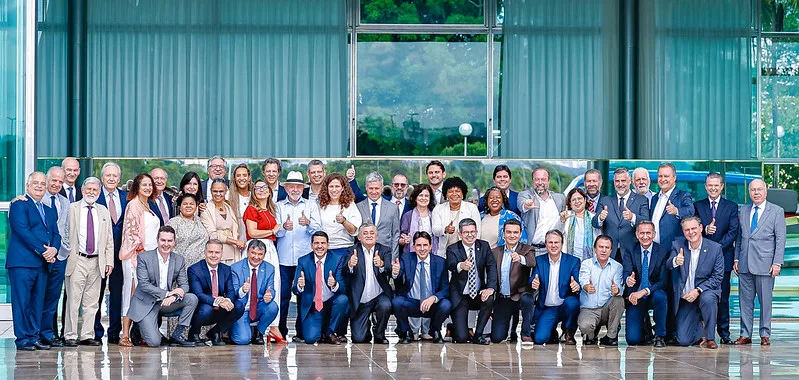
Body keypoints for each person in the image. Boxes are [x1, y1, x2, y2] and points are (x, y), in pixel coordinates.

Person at [7, 172, 61, 351]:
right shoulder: (19, 205)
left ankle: (34, 336)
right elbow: (22, 231)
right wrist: (44, 250)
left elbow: (56, 234)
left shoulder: (49, 210)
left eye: (42, 183)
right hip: (22, 262)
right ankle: (23, 339)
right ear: (27, 185)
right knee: (22, 301)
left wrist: (54, 249)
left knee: (38, 302)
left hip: (42, 264)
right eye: (35, 183)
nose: (39, 186)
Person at [126, 226, 198, 347]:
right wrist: (167, 294)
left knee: (192, 298)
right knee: (154, 343)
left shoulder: (179, 260)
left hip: (166, 303)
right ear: (157, 240)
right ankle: (138, 327)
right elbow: (144, 284)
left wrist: (174, 296)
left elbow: (184, 285)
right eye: (163, 240)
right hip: (146, 303)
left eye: (170, 241)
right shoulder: (144, 258)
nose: (166, 244)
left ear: (174, 242)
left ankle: (177, 334)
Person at [63, 177, 114, 346]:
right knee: (73, 301)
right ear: (83, 190)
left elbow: (109, 240)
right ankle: (70, 335)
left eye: (95, 190)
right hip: (77, 259)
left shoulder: (103, 211)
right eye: (88, 189)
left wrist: (109, 261)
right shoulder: (72, 208)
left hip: (97, 261)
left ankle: (87, 334)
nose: (91, 192)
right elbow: (64, 233)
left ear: (99, 193)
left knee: (92, 303)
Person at [734, 179, 785, 346]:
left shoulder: (777, 211)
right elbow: (740, 238)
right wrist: (736, 258)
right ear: (749, 192)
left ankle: (765, 334)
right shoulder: (744, 209)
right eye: (753, 190)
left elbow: (780, 239)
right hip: (744, 264)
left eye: (759, 190)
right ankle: (745, 334)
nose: (756, 193)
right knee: (745, 302)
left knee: (765, 302)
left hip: (766, 264)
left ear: (766, 191)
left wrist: (777, 262)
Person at [275, 171, 321, 340]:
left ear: (303, 188)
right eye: (291, 186)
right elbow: (276, 232)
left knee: (304, 296)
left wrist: (308, 223)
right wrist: (283, 228)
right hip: (284, 258)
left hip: (304, 258)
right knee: (284, 296)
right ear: (286, 188)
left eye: (298, 186)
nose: (295, 189)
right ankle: (281, 331)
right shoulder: (279, 206)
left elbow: (318, 230)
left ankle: (301, 332)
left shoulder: (310, 205)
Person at [650, 162, 694, 341]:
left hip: (674, 254)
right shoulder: (654, 198)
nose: (663, 179)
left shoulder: (683, 196)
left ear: (674, 178)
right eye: (660, 176)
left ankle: (674, 332)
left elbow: (690, 212)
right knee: (660, 294)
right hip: (656, 254)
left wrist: (677, 211)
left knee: (674, 293)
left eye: (666, 176)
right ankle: (661, 331)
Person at [694, 172, 739, 344]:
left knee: (723, 297)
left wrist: (716, 248)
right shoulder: (698, 206)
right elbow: (694, 228)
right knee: (702, 295)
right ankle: (703, 332)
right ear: (706, 186)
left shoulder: (731, 206)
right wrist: (705, 230)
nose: (713, 188)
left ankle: (724, 332)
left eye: (716, 185)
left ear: (721, 187)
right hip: (701, 259)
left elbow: (733, 231)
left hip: (724, 257)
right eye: (709, 185)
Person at [666, 216, 724, 349]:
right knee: (684, 341)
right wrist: (676, 261)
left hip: (704, 292)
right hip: (686, 298)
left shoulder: (715, 248)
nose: (691, 232)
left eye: (693, 228)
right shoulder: (677, 245)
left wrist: (698, 290)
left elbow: (717, 277)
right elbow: (668, 264)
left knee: (708, 299)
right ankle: (700, 325)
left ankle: (710, 338)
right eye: (687, 230)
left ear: (701, 228)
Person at [118, 173, 161, 347]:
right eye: (144, 184)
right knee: (131, 294)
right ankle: (125, 335)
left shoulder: (149, 205)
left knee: (145, 297)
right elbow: (130, 232)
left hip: (150, 258)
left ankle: (142, 333)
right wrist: (140, 252)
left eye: (150, 185)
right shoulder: (133, 205)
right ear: (136, 186)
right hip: (135, 257)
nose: (148, 188)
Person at [392, 231, 452, 344]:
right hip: (412, 303)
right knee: (397, 302)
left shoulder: (440, 262)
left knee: (446, 304)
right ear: (413, 246)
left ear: (430, 246)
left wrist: (434, 298)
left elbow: (445, 289)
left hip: (431, 303)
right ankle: (406, 332)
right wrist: (395, 272)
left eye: (425, 245)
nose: (422, 248)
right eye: (418, 245)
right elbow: (399, 274)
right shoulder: (406, 258)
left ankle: (434, 330)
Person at [242, 179, 283, 342]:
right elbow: (251, 232)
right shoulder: (252, 209)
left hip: (271, 248)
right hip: (257, 247)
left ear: (270, 190)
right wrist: (272, 230)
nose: (261, 190)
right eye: (257, 188)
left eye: (264, 187)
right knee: (255, 283)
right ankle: (251, 325)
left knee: (273, 284)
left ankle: (272, 326)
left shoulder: (271, 209)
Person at [292, 232, 350, 345]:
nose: (320, 246)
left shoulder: (337, 259)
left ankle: (329, 332)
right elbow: (295, 289)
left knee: (343, 299)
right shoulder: (303, 261)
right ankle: (322, 330)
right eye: (316, 243)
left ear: (328, 245)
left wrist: (334, 284)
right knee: (310, 338)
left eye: (323, 243)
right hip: (313, 307)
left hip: (331, 303)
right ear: (311, 245)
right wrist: (300, 286)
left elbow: (343, 288)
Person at [446, 218, 496, 345]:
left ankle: (478, 335)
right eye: (466, 232)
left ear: (477, 232)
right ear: (460, 234)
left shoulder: (483, 246)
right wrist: (460, 266)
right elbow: (450, 264)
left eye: (473, 232)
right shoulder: (452, 248)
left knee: (489, 298)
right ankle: (453, 327)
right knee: (462, 338)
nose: (470, 235)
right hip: (461, 295)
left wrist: (490, 288)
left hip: (478, 293)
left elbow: (491, 267)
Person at [94, 162, 128, 343]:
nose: (112, 178)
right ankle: (95, 331)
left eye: (115, 175)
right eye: (108, 175)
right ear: (102, 178)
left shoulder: (126, 197)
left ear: (119, 178)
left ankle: (114, 331)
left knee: (117, 294)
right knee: (96, 294)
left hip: (120, 255)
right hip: (99, 254)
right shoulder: (94, 196)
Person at [187, 240, 245, 345]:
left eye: (217, 252)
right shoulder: (194, 269)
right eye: (210, 252)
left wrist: (227, 300)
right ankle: (194, 333)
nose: (213, 255)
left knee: (239, 306)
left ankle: (216, 332)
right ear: (205, 252)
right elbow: (198, 294)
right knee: (206, 309)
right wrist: (217, 301)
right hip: (201, 309)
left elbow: (231, 290)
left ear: (221, 254)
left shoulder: (226, 269)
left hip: (220, 307)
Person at [622, 221, 669, 347]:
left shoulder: (663, 251)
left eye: (648, 233)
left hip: (653, 292)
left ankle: (660, 335)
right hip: (635, 297)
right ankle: (646, 330)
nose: (645, 236)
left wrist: (644, 291)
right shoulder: (630, 250)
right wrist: (628, 280)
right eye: (642, 233)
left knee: (661, 296)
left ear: (654, 234)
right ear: (637, 235)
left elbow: (663, 281)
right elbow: (626, 272)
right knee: (633, 340)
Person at [489, 219, 536, 343]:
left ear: (520, 234)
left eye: (515, 232)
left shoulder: (527, 249)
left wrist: (520, 258)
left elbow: (532, 262)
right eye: (508, 232)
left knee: (528, 300)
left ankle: (525, 333)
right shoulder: (495, 252)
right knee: (497, 338)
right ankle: (511, 330)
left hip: (521, 295)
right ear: (503, 233)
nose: (512, 235)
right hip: (503, 298)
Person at [344, 223, 393, 344]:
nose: (369, 236)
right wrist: (350, 265)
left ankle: (379, 332)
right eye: (365, 233)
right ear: (359, 237)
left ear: (377, 236)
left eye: (372, 233)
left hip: (379, 296)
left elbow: (389, 270)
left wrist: (381, 265)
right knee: (359, 339)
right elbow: (344, 272)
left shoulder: (384, 250)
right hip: (360, 300)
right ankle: (366, 326)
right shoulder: (352, 251)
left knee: (386, 305)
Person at [530, 230, 581, 345]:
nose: (553, 245)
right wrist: (533, 283)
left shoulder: (573, 261)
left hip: (565, 305)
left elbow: (578, 282)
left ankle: (569, 331)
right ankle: (552, 331)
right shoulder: (539, 261)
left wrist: (576, 286)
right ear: (546, 244)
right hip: (548, 308)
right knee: (539, 339)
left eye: (556, 242)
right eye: (550, 242)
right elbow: (533, 278)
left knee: (573, 303)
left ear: (562, 244)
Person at [40, 166, 71, 347]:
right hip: (42, 255)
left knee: (53, 299)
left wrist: (63, 250)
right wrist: (47, 251)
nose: (57, 184)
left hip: (60, 256)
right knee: (39, 297)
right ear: (47, 179)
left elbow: (64, 227)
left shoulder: (64, 202)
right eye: (54, 180)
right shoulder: (37, 199)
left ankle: (48, 334)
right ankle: (36, 333)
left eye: (61, 181)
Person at [230, 239, 281, 345]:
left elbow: (271, 289)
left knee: (273, 307)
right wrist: (242, 290)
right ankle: (238, 329)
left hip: (257, 307)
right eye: (253, 253)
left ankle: (259, 332)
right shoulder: (235, 268)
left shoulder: (269, 268)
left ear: (264, 255)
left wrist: (270, 295)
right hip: (242, 309)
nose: (256, 257)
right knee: (242, 340)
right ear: (248, 252)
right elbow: (232, 292)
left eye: (260, 254)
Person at [593, 167, 649, 261]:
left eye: (623, 181)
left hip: (632, 252)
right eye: (617, 181)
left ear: (630, 181)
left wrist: (632, 217)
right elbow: (594, 223)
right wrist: (600, 218)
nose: (620, 184)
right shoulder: (605, 200)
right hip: (610, 253)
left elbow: (647, 222)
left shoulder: (642, 200)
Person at [577, 235, 624, 347]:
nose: (603, 250)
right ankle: (591, 334)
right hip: (590, 308)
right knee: (585, 326)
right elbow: (583, 279)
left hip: (607, 308)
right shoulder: (586, 264)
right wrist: (587, 286)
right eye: (600, 247)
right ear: (595, 249)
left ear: (611, 250)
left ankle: (611, 336)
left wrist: (616, 290)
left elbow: (618, 288)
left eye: (607, 248)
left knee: (619, 300)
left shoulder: (617, 267)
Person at [517, 167, 567, 255]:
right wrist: (527, 204)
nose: (540, 183)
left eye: (543, 179)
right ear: (533, 181)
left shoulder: (560, 198)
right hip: (531, 250)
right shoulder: (525, 195)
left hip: (552, 250)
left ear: (548, 181)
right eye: (537, 179)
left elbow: (564, 217)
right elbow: (522, 205)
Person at [356, 172, 401, 260]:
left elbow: (395, 235)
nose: (373, 192)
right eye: (371, 188)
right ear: (366, 188)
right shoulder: (358, 207)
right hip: (363, 255)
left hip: (386, 255)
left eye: (376, 188)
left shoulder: (393, 208)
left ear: (382, 188)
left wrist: (393, 258)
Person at [432, 177, 481, 258]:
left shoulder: (472, 208)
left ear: (462, 194)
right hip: (444, 254)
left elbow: (477, 232)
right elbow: (435, 230)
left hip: (467, 254)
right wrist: (445, 229)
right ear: (446, 194)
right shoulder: (438, 208)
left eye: (457, 191)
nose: (454, 194)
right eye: (450, 191)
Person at [201, 179, 245, 265]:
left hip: (233, 252)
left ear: (226, 191)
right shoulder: (206, 210)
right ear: (211, 191)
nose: (218, 194)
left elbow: (235, 230)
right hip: (216, 253)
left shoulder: (229, 207)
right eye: (215, 191)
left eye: (221, 191)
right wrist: (235, 242)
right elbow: (213, 235)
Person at [317, 173, 362, 257]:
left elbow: (354, 231)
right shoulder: (319, 205)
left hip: (345, 249)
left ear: (343, 188)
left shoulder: (350, 205)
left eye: (337, 186)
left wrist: (344, 221)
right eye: (331, 186)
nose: (334, 190)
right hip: (324, 250)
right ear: (326, 188)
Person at [166, 193, 210, 267]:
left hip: (201, 267)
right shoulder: (173, 222)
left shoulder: (201, 221)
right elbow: (167, 244)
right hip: (180, 267)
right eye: (185, 204)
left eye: (191, 204)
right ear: (180, 207)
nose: (188, 206)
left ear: (196, 207)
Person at [558, 188, 599, 261]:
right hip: (570, 260)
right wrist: (562, 221)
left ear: (585, 200)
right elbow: (557, 235)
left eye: (579, 198)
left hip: (590, 261)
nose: (577, 201)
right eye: (573, 199)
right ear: (570, 203)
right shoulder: (566, 215)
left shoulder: (593, 217)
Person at [400, 184, 438, 255]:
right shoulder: (408, 216)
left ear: (430, 198)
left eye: (426, 196)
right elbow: (402, 236)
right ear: (415, 197)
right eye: (420, 195)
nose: (423, 198)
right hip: (411, 254)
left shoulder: (435, 215)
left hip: (432, 254)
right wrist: (404, 240)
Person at [227, 163, 252, 239]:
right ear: (234, 178)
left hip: (253, 243)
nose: (241, 178)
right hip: (235, 241)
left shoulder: (255, 196)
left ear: (249, 178)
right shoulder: (227, 196)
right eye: (238, 176)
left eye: (244, 175)